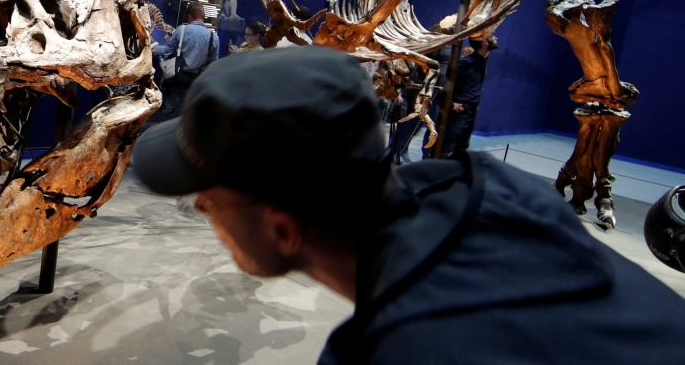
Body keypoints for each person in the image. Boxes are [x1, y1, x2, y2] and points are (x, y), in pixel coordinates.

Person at [132, 47, 685, 364]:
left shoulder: (396, 351)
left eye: (210, 198)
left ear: (282, 230)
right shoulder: (496, 187)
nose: (201, 208)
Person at [154, 2, 218, 122]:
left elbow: (168, 52)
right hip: (199, 78)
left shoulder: (181, 30)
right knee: (193, 111)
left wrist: (165, 73)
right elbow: (213, 61)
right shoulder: (213, 37)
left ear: (189, 16)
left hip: (180, 76)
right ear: (203, 16)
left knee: (176, 111)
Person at [438, 35, 497, 159]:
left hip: (470, 113)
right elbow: (443, 84)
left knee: (461, 150)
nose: (495, 38)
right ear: (485, 42)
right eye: (492, 36)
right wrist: (451, 105)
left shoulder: (481, 63)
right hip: (459, 114)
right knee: (446, 149)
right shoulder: (466, 63)